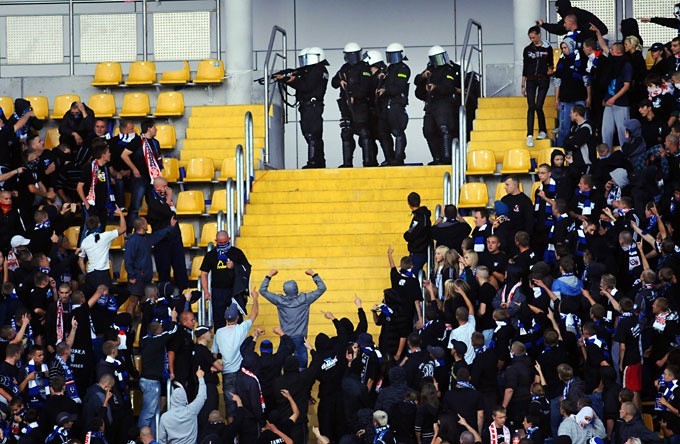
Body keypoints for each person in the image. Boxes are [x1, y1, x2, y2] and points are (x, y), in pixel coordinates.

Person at [259, 268, 326, 369]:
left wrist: (269, 275)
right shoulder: (305, 299)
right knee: (302, 367)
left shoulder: (279, 301)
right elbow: (322, 288)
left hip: (285, 338)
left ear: (285, 290)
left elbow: (262, 290)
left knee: (279, 365)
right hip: (300, 339)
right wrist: (313, 274)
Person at [277, 47, 329, 169]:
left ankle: (314, 162)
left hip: (312, 106)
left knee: (312, 134)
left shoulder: (317, 70)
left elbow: (306, 86)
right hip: (309, 106)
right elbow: (300, 75)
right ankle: (318, 161)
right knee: (312, 135)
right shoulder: (314, 70)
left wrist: (288, 80)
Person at [211, 291, 259, 423]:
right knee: (245, 403)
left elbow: (214, 355)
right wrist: (255, 298)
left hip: (227, 374)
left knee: (230, 407)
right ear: (237, 317)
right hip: (241, 373)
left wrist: (216, 368)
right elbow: (254, 314)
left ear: (226, 319)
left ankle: (234, 436)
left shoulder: (219, 332)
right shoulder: (241, 328)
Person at [331, 42, 375, 167]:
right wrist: (340, 81)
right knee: (346, 132)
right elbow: (333, 83)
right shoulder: (344, 68)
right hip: (346, 107)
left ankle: (367, 162)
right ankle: (347, 163)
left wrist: (355, 96)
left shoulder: (364, 68)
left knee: (364, 132)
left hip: (360, 105)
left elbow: (366, 86)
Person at [124, 216, 177, 316]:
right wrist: (132, 275)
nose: (147, 224)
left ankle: (141, 325)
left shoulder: (146, 238)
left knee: (145, 302)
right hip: (137, 276)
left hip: (146, 276)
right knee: (133, 301)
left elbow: (158, 235)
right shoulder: (132, 241)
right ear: (142, 225)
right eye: (145, 222)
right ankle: (129, 325)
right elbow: (128, 260)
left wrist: (170, 227)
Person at [414, 45, 458, 165]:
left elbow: (449, 87)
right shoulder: (429, 71)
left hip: (444, 105)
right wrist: (423, 78)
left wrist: (436, 88)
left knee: (444, 130)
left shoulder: (448, 70)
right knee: (428, 131)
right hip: (430, 106)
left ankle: (447, 159)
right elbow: (418, 88)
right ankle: (437, 158)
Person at [199, 230, 251, 329]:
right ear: (216, 241)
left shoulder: (237, 252)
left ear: (229, 239)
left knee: (238, 320)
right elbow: (204, 273)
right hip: (218, 291)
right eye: (220, 243)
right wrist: (206, 291)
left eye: (225, 242)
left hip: (235, 291)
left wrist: (234, 266)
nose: (223, 244)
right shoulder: (211, 255)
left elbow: (246, 268)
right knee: (218, 321)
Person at [146, 176, 188, 291]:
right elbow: (163, 211)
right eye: (165, 186)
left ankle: (184, 295)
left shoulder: (163, 198)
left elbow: (170, 213)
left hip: (175, 239)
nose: (167, 189)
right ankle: (165, 296)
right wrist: (169, 197)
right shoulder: (152, 199)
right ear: (157, 187)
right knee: (164, 271)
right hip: (162, 240)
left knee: (180, 268)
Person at [120, 118, 163, 226]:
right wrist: (134, 169)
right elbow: (124, 155)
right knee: (135, 206)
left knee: (154, 205)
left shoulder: (155, 143)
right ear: (149, 128)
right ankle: (129, 231)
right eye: (154, 127)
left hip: (152, 179)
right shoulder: (137, 141)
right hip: (140, 179)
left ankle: (155, 229)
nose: (156, 129)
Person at [376, 43, 410, 166]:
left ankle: (399, 157)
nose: (392, 58)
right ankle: (389, 158)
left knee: (397, 131)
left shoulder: (403, 68)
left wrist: (386, 90)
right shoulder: (387, 69)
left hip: (396, 104)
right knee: (382, 132)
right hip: (384, 105)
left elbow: (399, 86)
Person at [78, 209, 126, 293]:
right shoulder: (105, 236)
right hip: (103, 274)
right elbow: (123, 228)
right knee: (106, 299)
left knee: (94, 300)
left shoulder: (84, 241)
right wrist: (121, 214)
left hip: (91, 275)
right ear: (99, 224)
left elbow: (80, 261)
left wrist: (86, 274)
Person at [157, 366, 207, 444]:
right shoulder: (191, 410)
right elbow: (202, 396)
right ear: (185, 398)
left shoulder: (165, 417)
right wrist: (201, 378)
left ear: (172, 399)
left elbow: (161, 440)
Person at [522, 26, 553, 148]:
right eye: (530, 38)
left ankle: (543, 130)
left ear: (539, 35)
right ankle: (529, 135)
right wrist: (522, 84)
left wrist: (550, 70)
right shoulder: (528, 49)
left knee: (538, 106)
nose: (532, 39)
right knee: (531, 106)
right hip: (530, 80)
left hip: (543, 79)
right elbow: (525, 67)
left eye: (534, 37)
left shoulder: (547, 48)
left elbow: (551, 63)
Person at [404, 191, 432, 272]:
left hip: (418, 251)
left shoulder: (419, 217)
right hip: (423, 249)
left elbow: (410, 234)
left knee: (411, 275)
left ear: (409, 204)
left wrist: (406, 235)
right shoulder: (425, 215)